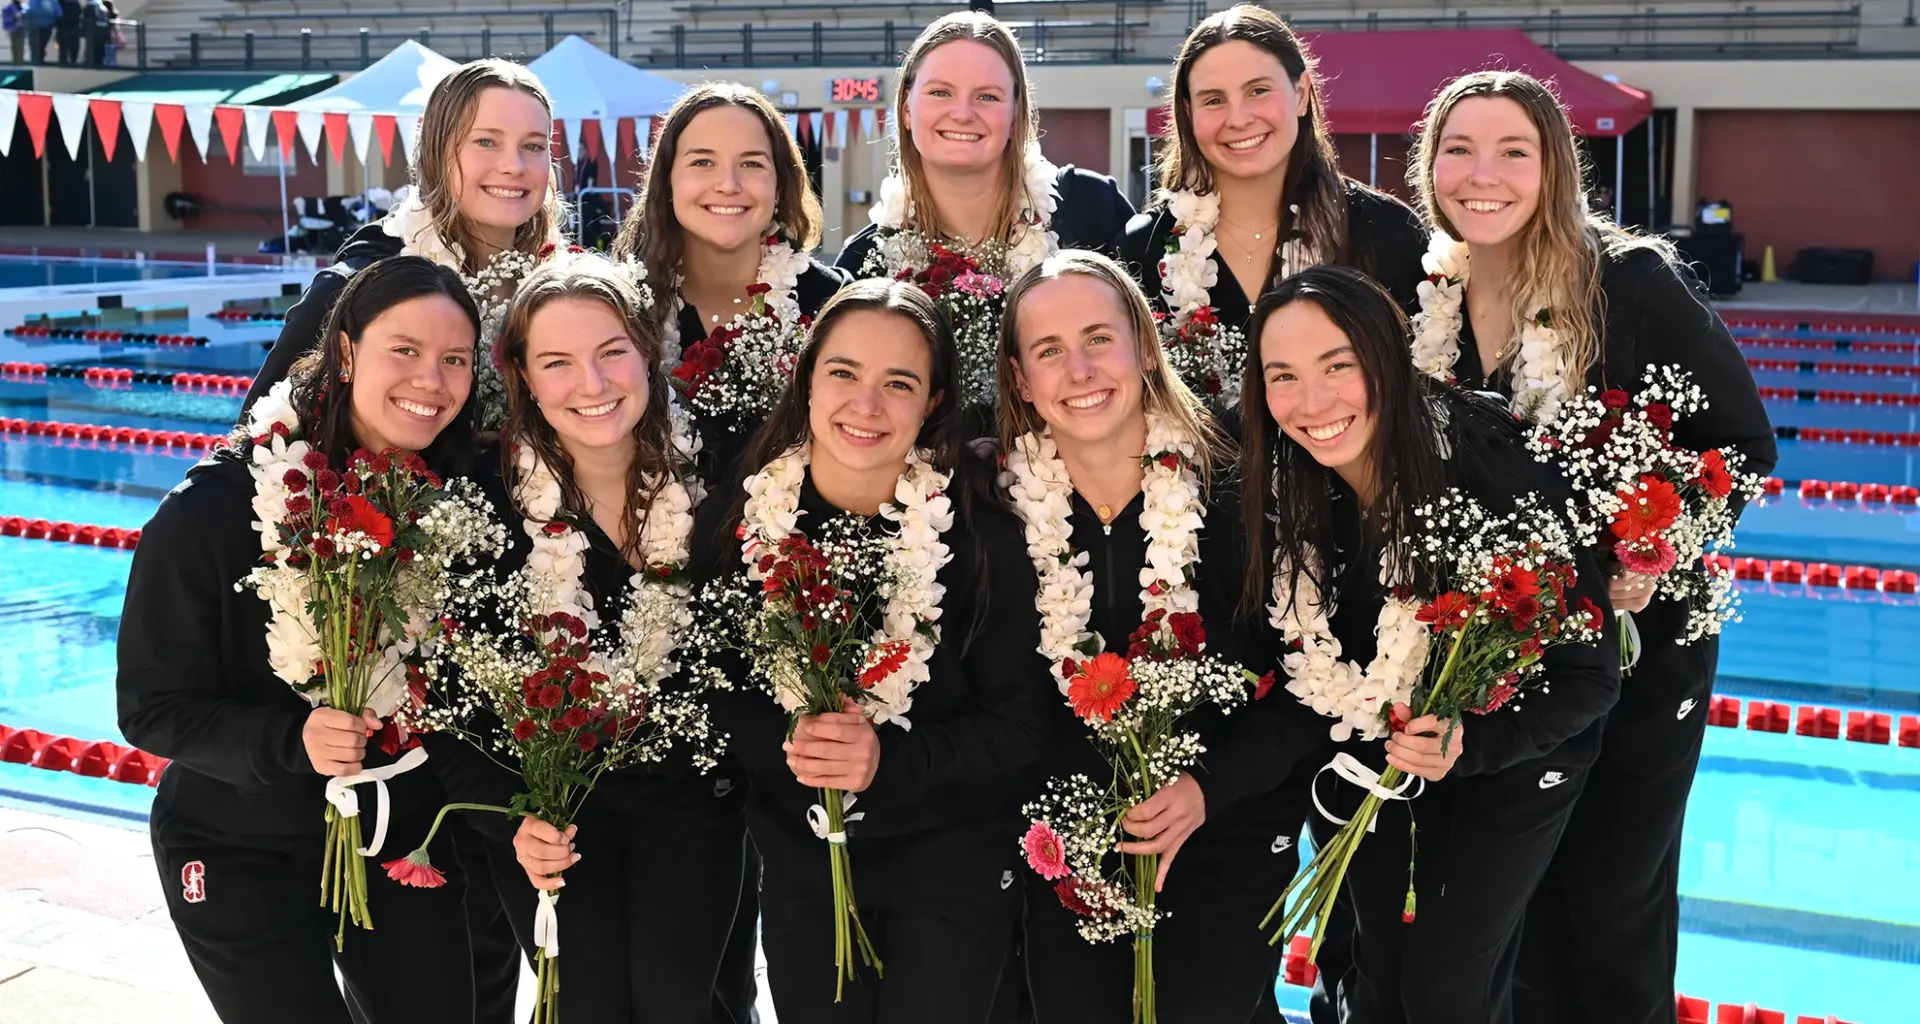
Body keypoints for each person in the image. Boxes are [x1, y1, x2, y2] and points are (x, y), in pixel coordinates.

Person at [1402, 70, 1777, 1024]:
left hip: (1643, 659)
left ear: (1555, 167)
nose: (1482, 175)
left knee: (1615, 902)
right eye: (1459, 150)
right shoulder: (1429, 297)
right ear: (1430, 165)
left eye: (1513, 152)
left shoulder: (1629, 283)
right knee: (1518, 908)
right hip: (1516, 667)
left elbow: (1741, 446)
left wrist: (1653, 553)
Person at [1243, 264, 1621, 1024]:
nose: (1312, 403)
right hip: (1380, 752)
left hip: (1515, 758)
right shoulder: (1282, 486)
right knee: (1379, 978)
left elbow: (1589, 676)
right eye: (1282, 376)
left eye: (1338, 366)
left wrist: (1470, 743)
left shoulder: (1488, 467)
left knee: (1447, 987)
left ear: (1386, 357)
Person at [117, 256, 484, 1024]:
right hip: (234, 844)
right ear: (346, 352)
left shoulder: (448, 505)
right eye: (405, 350)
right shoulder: (215, 511)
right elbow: (152, 709)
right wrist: (293, 742)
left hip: (394, 834)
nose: (432, 380)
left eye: (455, 360)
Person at [693, 278, 1053, 1024]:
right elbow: (718, 691)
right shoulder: (748, 519)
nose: (866, 405)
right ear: (807, 378)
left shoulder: (984, 534)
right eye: (844, 373)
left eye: (899, 383)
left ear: (933, 401)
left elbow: (1020, 726)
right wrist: (799, 744)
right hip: (808, 871)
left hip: (953, 868)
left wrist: (887, 761)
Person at [420, 250, 755, 1021]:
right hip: (552, 811)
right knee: (587, 1004)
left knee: (680, 1000)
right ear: (524, 379)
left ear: (647, 350)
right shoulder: (485, 501)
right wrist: (514, 815)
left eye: (612, 353)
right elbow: (445, 699)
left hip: (691, 803)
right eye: (558, 362)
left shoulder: (723, 479)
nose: (593, 384)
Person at [997, 250, 1326, 1023]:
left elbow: (1312, 692)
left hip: (1224, 837)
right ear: (1019, 380)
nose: (1079, 370)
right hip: (1065, 853)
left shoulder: (1242, 494)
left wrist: (1207, 789)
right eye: (1048, 351)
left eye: (1098, 339)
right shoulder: (995, 513)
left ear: (1145, 345)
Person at [1116, 4, 1427, 406]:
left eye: (1258, 91)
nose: (1239, 118)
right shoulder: (1144, 249)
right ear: (1188, 114)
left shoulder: (1386, 233)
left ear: (1301, 95)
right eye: (1213, 100)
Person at [244, 59, 566, 419]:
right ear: (436, 152)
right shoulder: (354, 286)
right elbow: (252, 445)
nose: (515, 165)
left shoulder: (562, 284)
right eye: (486, 141)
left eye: (534, 146)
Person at [612, 81, 848, 451]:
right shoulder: (620, 308)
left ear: (781, 185)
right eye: (702, 162)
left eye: (751, 163)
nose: (728, 184)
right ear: (668, 180)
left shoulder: (834, 304)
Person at [835, 11, 1133, 282]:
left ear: (1016, 116)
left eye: (988, 97)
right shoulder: (864, 263)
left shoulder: (1092, 209)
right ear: (906, 111)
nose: (963, 114)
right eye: (940, 92)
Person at [52, 0, 78, 65]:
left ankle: (69, 64)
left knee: (69, 51)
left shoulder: (60, 3)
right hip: (66, 30)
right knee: (64, 51)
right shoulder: (60, 3)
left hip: (67, 30)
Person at [5, 1, 26, 66]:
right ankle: (15, 64)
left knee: (21, 48)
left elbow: (27, 17)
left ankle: (20, 63)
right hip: (13, 30)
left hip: (21, 30)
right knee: (15, 48)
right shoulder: (9, 8)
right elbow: (7, 19)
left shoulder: (24, 7)